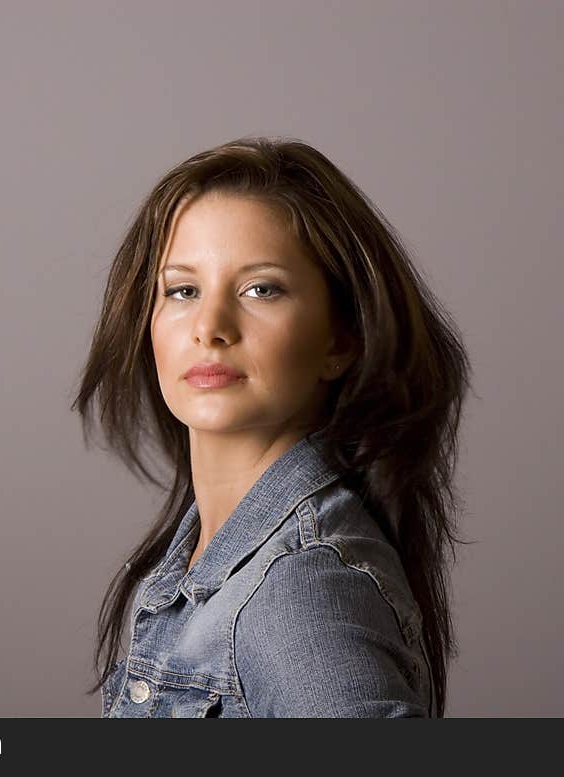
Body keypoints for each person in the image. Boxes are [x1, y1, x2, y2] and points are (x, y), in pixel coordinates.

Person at [71, 136, 473, 718]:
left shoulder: (298, 585)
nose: (210, 326)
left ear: (340, 340)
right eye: (183, 290)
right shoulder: (201, 562)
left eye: (261, 289)